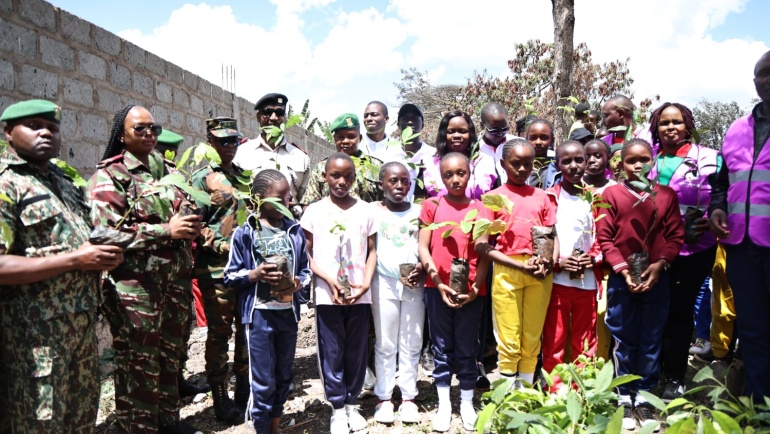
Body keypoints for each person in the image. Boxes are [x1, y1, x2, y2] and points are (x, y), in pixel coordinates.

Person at [0, 99, 124, 432]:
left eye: (53, 128)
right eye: (35, 125)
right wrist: (75, 259)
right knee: (38, 424)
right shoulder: (6, 185)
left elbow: (80, 243)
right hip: (34, 340)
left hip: (80, 332)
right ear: (8, 132)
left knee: (81, 419)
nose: (46, 133)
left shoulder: (65, 184)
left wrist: (104, 253)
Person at [88, 105, 203, 434]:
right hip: (135, 289)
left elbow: (188, 210)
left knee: (171, 356)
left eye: (154, 128)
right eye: (140, 129)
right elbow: (102, 233)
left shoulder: (168, 171)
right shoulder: (110, 175)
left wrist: (192, 219)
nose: (150, 134)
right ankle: (138, 428)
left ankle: (168, 422)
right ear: (121, 134)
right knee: (138, 362)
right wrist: (166, 231)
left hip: (174, 284)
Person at [596, 138, 683, 431]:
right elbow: (605, 238)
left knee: (651, 338)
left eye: (644, 159)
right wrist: (622, 270)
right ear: (620, 164)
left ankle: (644, 396)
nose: (638, 165)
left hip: (657, 279)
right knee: (624, 337)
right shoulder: (612, 194)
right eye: (631, 160)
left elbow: (674, 237)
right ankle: (623, 394)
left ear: (653, 161)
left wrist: (659, 265)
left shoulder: (666, 196)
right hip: (624, 281)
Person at [224, 169, 311, 434]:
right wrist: (255, 274)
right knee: (263, 381)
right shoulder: (246, 233)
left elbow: (306, 271)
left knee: (284, 375)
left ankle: (275, 427)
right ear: (260, 199)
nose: (288, 203)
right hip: (259, 316)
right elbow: (229, 276)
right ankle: (260, 427)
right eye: (280, 198)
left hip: (287, 314)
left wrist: (298, 283)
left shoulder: (294, 232)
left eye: (289, 197)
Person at [646, 102, 720, 401]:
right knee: (652, 312)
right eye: (664, 123)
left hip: (693, 250)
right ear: (656, 126)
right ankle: (650, 372)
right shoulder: (645, 157)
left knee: (679, 313)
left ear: (687, 124)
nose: (670, 127)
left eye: (676, 122)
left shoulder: (709, 158)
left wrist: (712, 217)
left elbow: (723, 195)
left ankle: (675, 376)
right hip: (650, 248)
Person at [300, 153, 377, 434]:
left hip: (358, 293)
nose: (341, 181)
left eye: (347, 176)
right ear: (324, 177)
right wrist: (329, 280)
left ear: (355, 178)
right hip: (327, 294)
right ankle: (337, 407)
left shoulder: (366, 210)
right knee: (332, 350)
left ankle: (353, 402)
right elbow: (306, 254)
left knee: (357, 350)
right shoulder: (314, 211)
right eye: (335, 175)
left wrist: (366, 283)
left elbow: (372, 251)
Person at [708, 50, 770, 399]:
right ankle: (762, 407)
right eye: (764, 74)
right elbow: (722, 181)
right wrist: (718, 207)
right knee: (753, 329)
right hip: (742, 247)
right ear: (755, 82)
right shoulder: (735, 130)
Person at [476, 138, 558, 387]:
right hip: (507, 271)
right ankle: (509, 395)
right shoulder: (492, 198)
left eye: (527, 164)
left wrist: (550, 262)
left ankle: (526, 391)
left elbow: (552, 235)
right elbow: (481, 244)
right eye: (515, 164)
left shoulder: (542, 197)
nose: (522, 169)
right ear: (503, 164)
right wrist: (519, 265)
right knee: (508, 336)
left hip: (539, 273)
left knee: (532, 335)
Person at [418, 152, 487, 432]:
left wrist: (476, 288)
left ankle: (467, 402)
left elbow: (484, 253)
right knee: (442, 346)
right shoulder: (431, 205)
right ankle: (444, 402)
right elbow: (423, 246)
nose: (455, 179)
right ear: (441, 176)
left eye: (461, 173)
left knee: (468, 346)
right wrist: (436, 279)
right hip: (437, 288)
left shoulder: (481, 209)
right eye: (448, 174)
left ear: (469, 173)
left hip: (471, 290)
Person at [190, 117, 251, 423]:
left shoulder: (244, 177)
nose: (229, 146)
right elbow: (194, 225)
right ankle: (220, 396)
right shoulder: (201, 179)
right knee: (219, 334)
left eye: (233, 141)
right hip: (216, 270)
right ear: (210, 141)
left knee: (246, 329)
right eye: (222, 141)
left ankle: (244, 388)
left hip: (246, 270)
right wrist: (223, 247)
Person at [542, 141, 601, 386]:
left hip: (587, 284)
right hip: (556, 282)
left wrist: (593, 257)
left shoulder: (596, 199)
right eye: (567, 161)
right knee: (554, 341)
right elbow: (542, 238)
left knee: (584, 342)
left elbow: (604, 236)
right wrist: (557, 262)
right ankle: (555, 392)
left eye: (579, 160)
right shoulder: (549, 198)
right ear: (557, 165)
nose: (574, 166)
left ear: (586, 162)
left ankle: (582, 391)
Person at [370, 162, 424, 425]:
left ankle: (409, 397)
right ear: (382, 184)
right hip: (383, 283)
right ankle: (384, 397)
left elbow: (427, 246)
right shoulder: (372, 212)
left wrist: (423, 267)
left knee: (412, 341)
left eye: (405, 180)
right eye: (393, 181)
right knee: (386, 342)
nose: (400, 186)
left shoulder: (420, 212)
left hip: (415, 284)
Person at [233, 93, 310, 216]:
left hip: (289, 227)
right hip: (253, 227)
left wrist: (294, 206)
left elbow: (303, 199)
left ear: (284, 118)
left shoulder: (301, 158)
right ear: (258, 116)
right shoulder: (241, 153)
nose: (273, 118)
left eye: (279, 113)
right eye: (267, 112)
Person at [300, 113, 383, 206]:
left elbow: (386, 204)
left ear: (360, 138)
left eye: (351, 136)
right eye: (340, 137)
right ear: (335, 139)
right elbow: (309, 205)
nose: (346, 141)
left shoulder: (376, 166)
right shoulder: (321, 167)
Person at [582, 139, 616, 361]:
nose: (592, 161)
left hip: (605, 266)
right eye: (588, 156)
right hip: (576, 265)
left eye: (598, 156)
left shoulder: (614, 190)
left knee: (602, 317)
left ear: (608, 160)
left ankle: (601, 368)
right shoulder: (572, 186)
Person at [422, 110, 497, 199]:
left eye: (462, 131)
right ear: (443, 134)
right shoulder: (429, 164)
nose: (457, 135)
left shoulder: (485, 162)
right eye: (451, 131)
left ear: (470, 134)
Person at [397, 103, 436, 202]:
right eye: (405, 119)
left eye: (414, 119)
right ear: (398, 125)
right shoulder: (389, 154)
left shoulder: (434, 155)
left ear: (422, 125)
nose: (410, 122)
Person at [479, 102, 515, 185]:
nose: (500, 133)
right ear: (482, 126)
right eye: (494, 130)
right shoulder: (474, 149)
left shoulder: (519, 145)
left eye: (504, 129)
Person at [525, 118, 559, 188]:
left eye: (544, 138)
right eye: (533, 138)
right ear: (527, 140)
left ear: (552, 140)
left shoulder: (557, 168)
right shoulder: (520, 168)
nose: (538, 142)